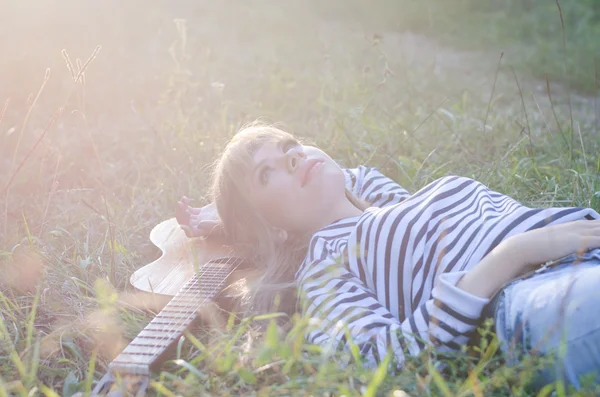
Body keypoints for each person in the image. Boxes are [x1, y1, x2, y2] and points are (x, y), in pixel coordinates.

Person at [176, 123, 600, 390]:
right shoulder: (324, 271)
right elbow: (383, 360)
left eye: (290, 145)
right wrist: (512, 254)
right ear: (269, 228)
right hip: (534, 300)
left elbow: (351, 177)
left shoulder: (391, 204)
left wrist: (226, 214)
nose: (291, 156)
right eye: (265, 173)